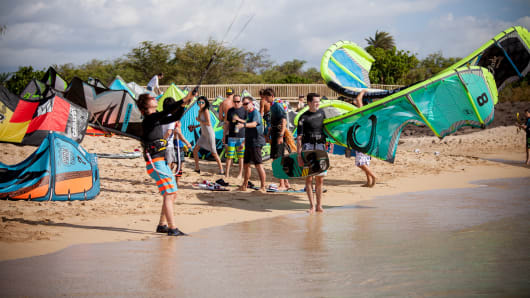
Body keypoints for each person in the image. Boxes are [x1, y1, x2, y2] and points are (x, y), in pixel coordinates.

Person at [136, 91, 194, 236]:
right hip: (156, 164)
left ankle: (162, 225)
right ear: (146, 105)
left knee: (172, 194)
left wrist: (185, 104)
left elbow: (174, 116)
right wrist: (183, 100)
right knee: (169, 194)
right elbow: (168, 110)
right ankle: (172, 228)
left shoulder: (155, 119)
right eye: (151, 98)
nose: (155, 98)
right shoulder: (149, 119)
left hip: (160, 163)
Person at [296, 93, 327, 213]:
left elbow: (328, 129)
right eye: (315, 102)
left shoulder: (322, 113)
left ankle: (319, 205)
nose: (318, 103)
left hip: (320, 148)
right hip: (307, 149)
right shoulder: (303, 117)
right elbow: (299, 137)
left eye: (318, 101)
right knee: (308, 178)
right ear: (309, 103)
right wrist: (299, 155)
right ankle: (312, 206)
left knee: (320, 179)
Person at [263, 88, 291, 191]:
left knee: (278, 160)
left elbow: (284, 121)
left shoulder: (277, 105)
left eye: (266, 97)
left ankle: (282, 184)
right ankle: (286, 183)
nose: (265, 99)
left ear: (271, 96)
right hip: (275, 133)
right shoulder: (273, 106)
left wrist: (281, 135)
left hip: (278, 134)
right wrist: (269, 132)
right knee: (277, 159)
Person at [236, 96, 267, 191]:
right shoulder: (248, 113)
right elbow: (248, 130)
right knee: (246, 164)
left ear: (251, 103)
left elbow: (254, 124)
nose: (244, 106)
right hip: (249, 141)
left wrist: (243, 125)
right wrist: (243, 143)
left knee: (258, 165)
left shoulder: (255, 113)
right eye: (243, 104)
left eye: (246, 103)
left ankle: (263, 186)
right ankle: (244, 185)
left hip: (256, 141)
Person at [188, 96, 224, 174]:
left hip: (209, 134)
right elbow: (202, 123)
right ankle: (197, 168)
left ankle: (221, 169)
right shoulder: (199, 111)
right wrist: (195, 126)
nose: (200, 104)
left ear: (205, 103)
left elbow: (208, 123)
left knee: (214, 153)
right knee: (195, 150)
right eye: (199, 102)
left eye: (202, 102)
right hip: (204, 135)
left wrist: (199, 120)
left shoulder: (206, 111)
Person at [352, 90, 377, 187]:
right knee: (365, 161)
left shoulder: (363, 113)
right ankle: (369, 181)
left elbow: (358, 99)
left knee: (360, 163)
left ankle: (373, 176)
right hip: (369, 139)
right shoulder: (371, 114)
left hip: (361, 140)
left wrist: (363, 91)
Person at [224, 94, 247, 179]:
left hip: (241, 136)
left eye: (238, 101)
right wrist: (224, 135)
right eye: (235, 101)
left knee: (240, 157)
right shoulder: (230, 110)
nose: (236, 103)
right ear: (232, 102)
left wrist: (239, 119)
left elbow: (248, 122)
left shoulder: (244, 110)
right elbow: (227, 123)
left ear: (241, 102)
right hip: (231, 136)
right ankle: (227, 173)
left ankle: (240, 174)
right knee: (229, 156)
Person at [172, 120, 192, 186]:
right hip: (174, 146)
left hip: (179, 145)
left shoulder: (178, 121)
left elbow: (179, 135)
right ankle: (169, 180)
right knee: (173, 164)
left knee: (180, 165)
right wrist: (187, 143)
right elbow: (179, 135)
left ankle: (177, 181)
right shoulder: (174, 122)